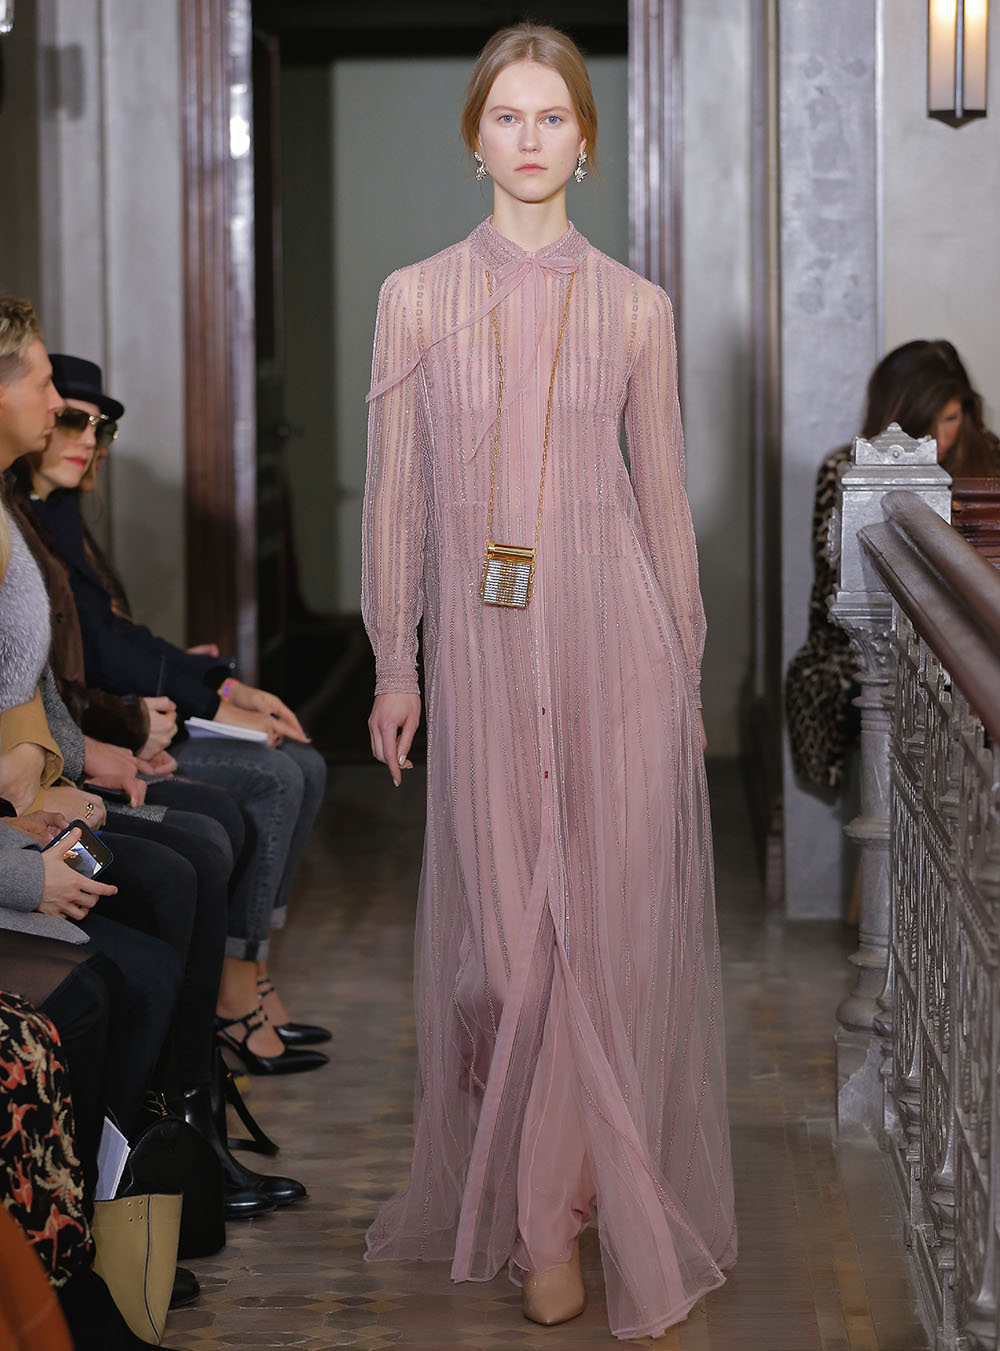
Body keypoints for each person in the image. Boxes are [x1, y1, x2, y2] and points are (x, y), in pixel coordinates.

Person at [361, 24, 735, 1341]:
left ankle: (552, 1221)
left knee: (600, 943)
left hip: (618, 643)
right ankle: (544, 1188)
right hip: (482, 649)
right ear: (475, 139)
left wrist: (687, 673)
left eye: (553, 116)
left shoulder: (636, 307)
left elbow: (665, 507)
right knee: (506, 960)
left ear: (587, 138)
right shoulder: (415, 298)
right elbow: (396, 500)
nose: (530, 138)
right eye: (507, 116)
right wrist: (393, 661)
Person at [8, 348, 330, 1073]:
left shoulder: (42, 521)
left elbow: (56, 680)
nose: (84, 436)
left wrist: (111, 747)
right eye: (67, 412)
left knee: (205, 838)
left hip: (59, 792)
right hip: (35, 816)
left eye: (98, 425)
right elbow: (71, 670)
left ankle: (202, 1070)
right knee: (206, 836)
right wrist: (115, 740)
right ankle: (209, 1042)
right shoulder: (20, 525)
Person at [786, 338, 1000, 791]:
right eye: (930, 422)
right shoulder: (846, 469)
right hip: (873, 639)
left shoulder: (987, 460)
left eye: (951, 419)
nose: (940, 437)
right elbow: (838, 585)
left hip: (971, 637)